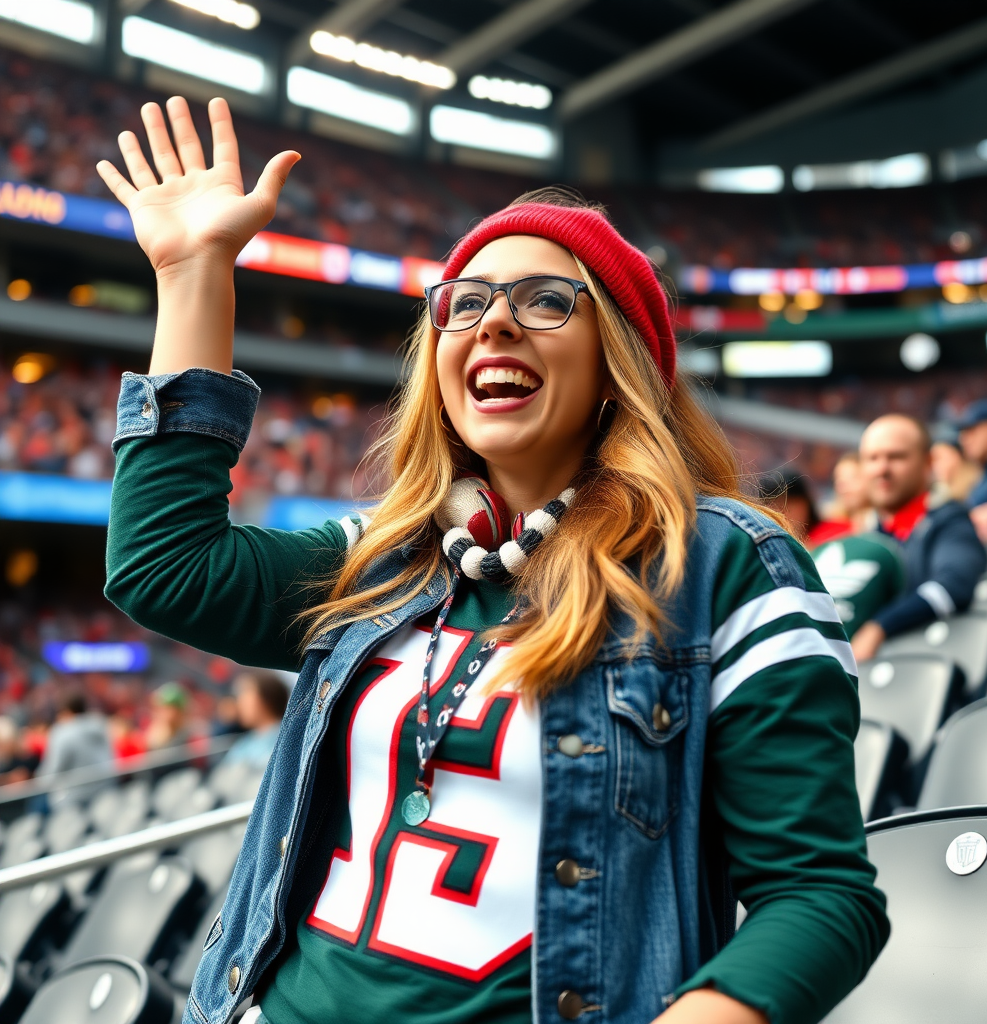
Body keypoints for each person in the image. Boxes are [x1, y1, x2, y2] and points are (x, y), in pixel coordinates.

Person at [99, 96, 887, 1024]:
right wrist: (196, 276)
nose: (492, 323)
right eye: (464, 303)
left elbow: (822, 896)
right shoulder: (384, 558)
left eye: (546, 301)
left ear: (618, 361)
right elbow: (164, 567)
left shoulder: (722, 564)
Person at [849, 414, 987, 663]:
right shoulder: (863, 538)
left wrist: (879, 627)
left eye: (896, 457)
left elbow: (953, 585)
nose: (882, 469)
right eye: (872, 458)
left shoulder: (950, 519)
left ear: (928, 462)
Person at [36, 690, 114, 806]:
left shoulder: (62, 733)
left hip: (73, 799)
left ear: (67, 712)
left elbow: (51, 773)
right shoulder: (100, 724)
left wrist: (37, 781)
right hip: (106, 790)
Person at [222, 670, 289, 768]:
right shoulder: (243, 744)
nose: (239, 701)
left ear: (267, 696)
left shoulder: (287, 739)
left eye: (245, 692)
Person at [930, 426, 980, 503]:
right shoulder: (945, 489)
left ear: (955, 456)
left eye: (938, 458)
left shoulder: (975, 485)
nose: (933, 466)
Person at [829, 451, 871, 535]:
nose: (843, 485)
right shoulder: (828, 529)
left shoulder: (881, 526)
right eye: (838, 478)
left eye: (853, 477)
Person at [144, 682, 191, 750]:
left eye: (167, 708)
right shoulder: (154, 730)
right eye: (159, 708)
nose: (161, 712)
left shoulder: (188, 736)